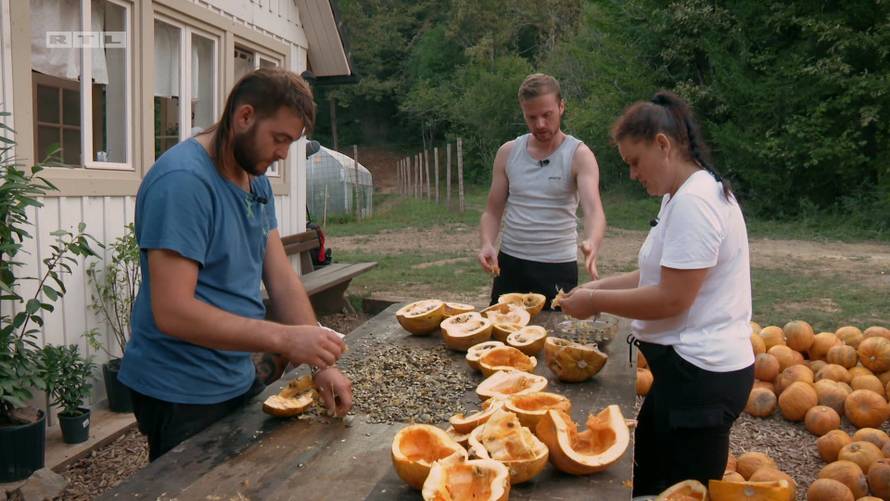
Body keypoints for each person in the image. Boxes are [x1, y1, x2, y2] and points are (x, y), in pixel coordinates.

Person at [119, 68, 352, 461]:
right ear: (244, 117)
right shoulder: (182, 182)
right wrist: (284, 339)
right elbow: (174, 313)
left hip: (234, 374)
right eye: (279, 139)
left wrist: (317, 361)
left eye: (291, 143)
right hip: (180, 389)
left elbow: (281, 279)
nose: (282, 154)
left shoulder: (254, 177)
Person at [558, 91, 755, 495]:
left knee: (680, 489)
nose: (632, 174)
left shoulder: (695, 203)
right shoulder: (680, 195)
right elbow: (651, 275)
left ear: (663, 145)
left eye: (635, 162)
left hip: (702, 378)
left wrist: (595, 303)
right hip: (684, 374)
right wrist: (595, 286)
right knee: (647, 470)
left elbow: (672, 298)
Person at [477, 73, 606, 308]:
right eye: (531, 117)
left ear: (561, 106)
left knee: (553, 340)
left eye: (547, 115)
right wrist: (487, 242)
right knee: (502, 336)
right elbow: (492, 211)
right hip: (510, 264)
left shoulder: (579, 154)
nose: (540, 124)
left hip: (556, 267)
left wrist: (593, 241)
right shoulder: (508, 152)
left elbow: (593, 209)